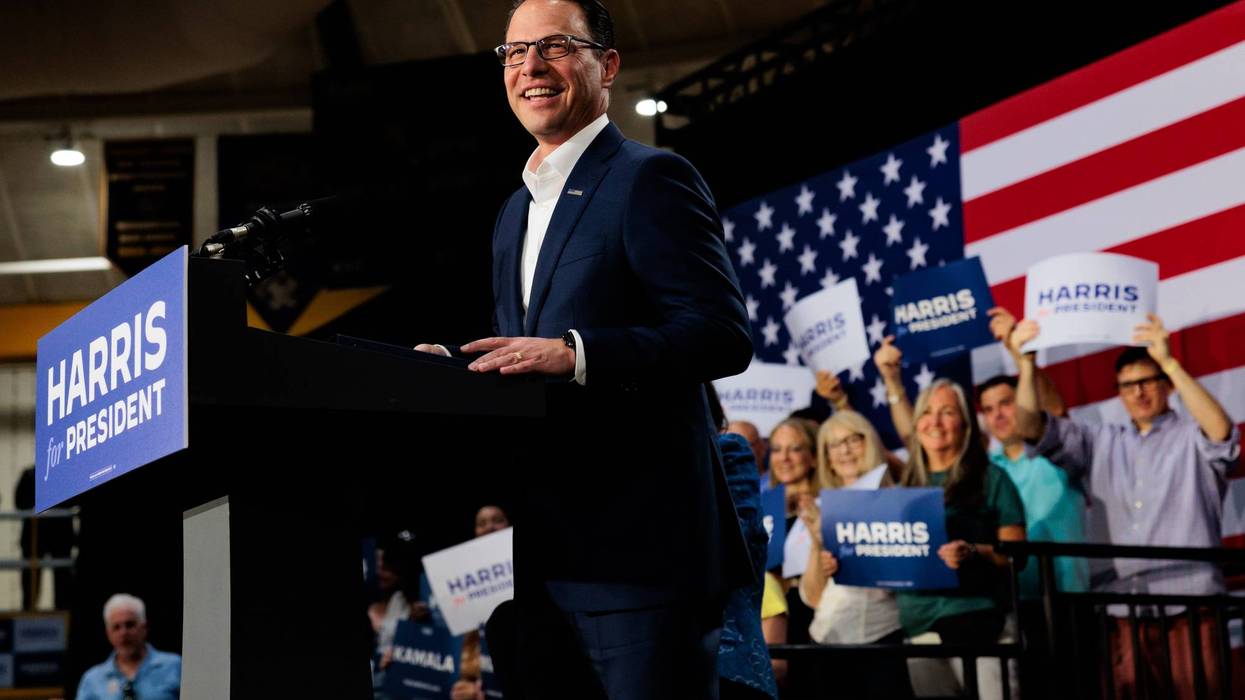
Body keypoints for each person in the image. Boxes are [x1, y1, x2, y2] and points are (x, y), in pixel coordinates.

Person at [418, 1, 753, 696]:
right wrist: (457, 368)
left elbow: (719, 334)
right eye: (514, 53)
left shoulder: (649, 177)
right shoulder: (514, 212)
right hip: (543, 563)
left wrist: (576, 354)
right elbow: (524, 352)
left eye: (555, 46)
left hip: (641, 564)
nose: (531, 67)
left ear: (608, 64)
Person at [1009, 314, 1240, 699]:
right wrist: (1027, 366)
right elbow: (1031, 428)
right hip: (1121, 607)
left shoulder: (1191, 436)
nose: (1138, 393)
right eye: (1128, 386)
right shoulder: (1099, 441)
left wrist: (1169, 362)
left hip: (1189, 603)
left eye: (1147, 381)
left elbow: (1221, 433)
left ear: (1166, 386)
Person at [799, 411, 913, 699]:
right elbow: (813, 598)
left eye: (853, 440)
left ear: (870, 443)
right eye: (834, 445)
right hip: (825, 640)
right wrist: (818, 544)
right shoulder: (818, 508)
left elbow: (905, 581)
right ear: (827, 458)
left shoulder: (901, 502)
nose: (845, 451)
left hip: (881, 639)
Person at [76, 594, 181, 700]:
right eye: (116, 627)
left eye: (130, 625)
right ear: (108, 633)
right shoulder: (92, 680)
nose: (124, 633)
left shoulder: (174, 667)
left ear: (144, 627)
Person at [15, 465, 75, 610]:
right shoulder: (29, 475)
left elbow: (73, 499)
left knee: (62, 577)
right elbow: (20, 502)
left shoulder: (66, 473)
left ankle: (62, 610)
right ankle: (29, 610)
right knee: (31, 578)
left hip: (59, 533)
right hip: (35, 533)